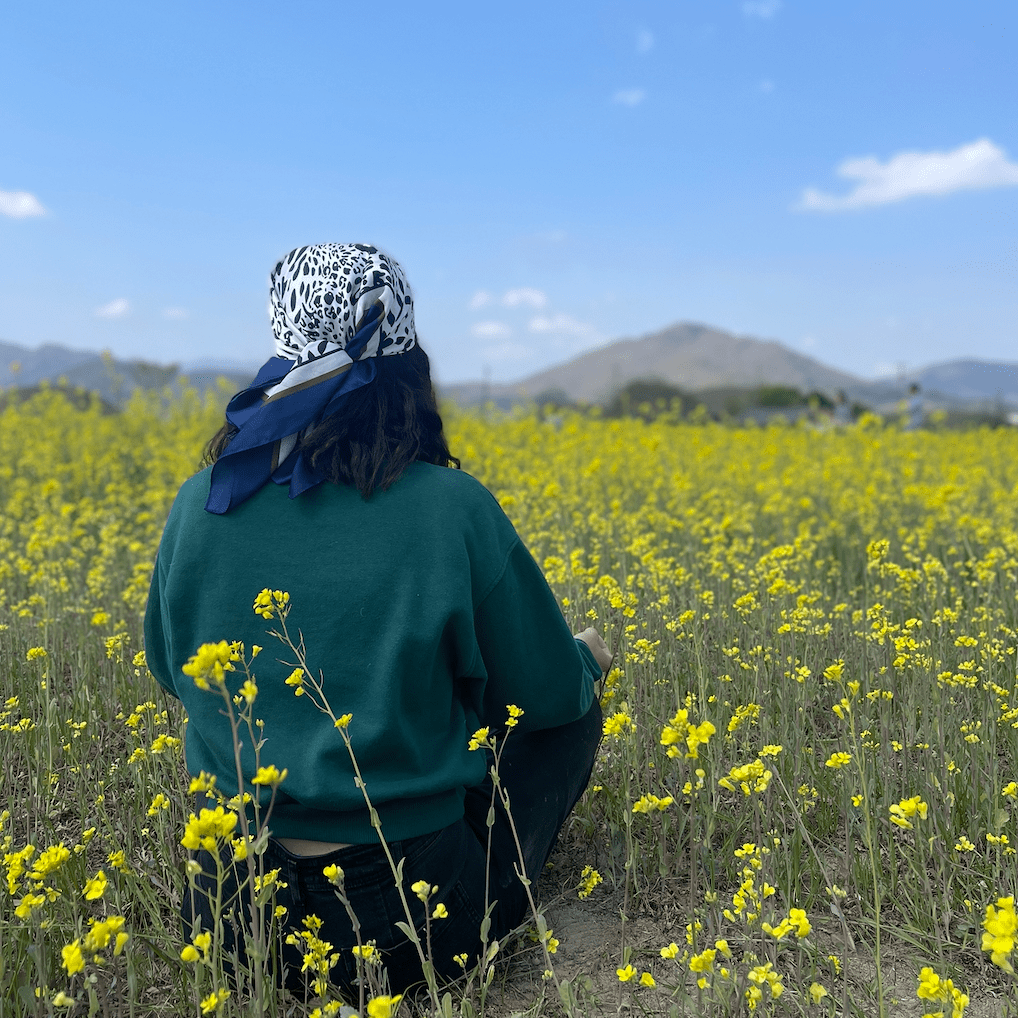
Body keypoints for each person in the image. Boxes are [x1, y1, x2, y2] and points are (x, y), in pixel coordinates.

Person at [143, 243, 610, 998]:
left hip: (233, 915)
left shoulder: (202, 503)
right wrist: (586, 658)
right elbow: (544, 696)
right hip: (411, 923)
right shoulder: (453, 509)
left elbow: (174, 669)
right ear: (404, 356)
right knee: (571, 719)